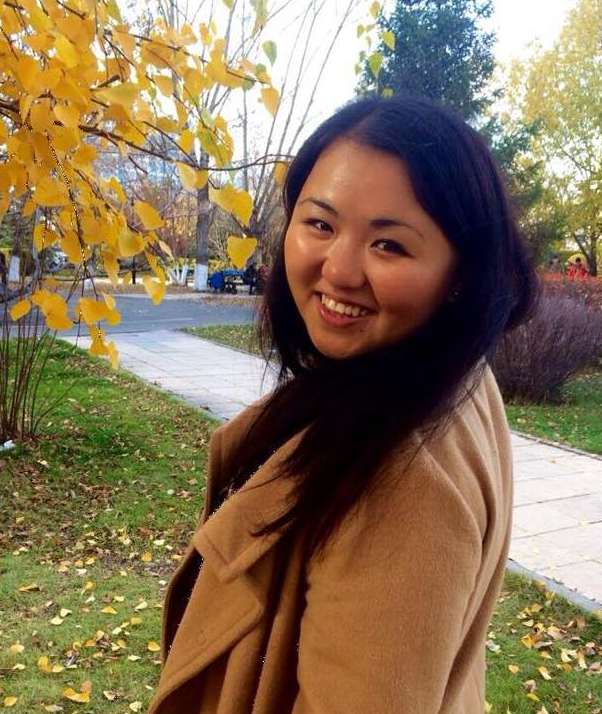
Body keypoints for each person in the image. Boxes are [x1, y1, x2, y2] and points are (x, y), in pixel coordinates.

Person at [147, 96, 536, 714]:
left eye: (389, 245)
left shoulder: (402, 480)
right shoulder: (439, 374)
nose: (340, 269)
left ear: (460, 275)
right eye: (321, 225)